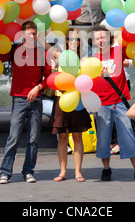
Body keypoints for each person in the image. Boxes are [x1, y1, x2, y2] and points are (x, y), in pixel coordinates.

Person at [0, 21, 52, 184]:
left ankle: (28, 171)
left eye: (34, 34)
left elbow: (49, 76)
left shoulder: (42, 52)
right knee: (13, 137)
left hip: (36, 98)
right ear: (22, 35)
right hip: (19, 98)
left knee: (33, 139)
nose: (32, 36)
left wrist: (38, 88)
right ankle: (5, 172)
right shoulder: (14, 50)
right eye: (29, 34)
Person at [89, 25, 135, 181]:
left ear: (109, 38)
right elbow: (90, 85)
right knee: (103, 138)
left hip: (120, 101)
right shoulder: (92, 61)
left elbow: (133, 48)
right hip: (103, 104)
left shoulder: (118, 52)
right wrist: (99, 77)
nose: (101, 40)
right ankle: (106, 168)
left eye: (103, 37)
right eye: (98, 38)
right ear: (94, 41)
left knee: (128, 135)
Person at [49, 29, 92, 182]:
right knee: (62, 137)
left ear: (80, 42)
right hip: (61, 100)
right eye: (71, 39)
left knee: (77, 136)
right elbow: (45, 46)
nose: (74, 42)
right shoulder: (60, 57)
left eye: (77, 40)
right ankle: (62, 172)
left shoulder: (84, 59)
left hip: (78, 101)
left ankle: (78, 172)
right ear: (66, 41)